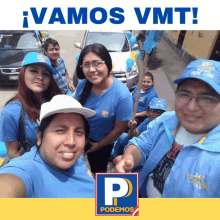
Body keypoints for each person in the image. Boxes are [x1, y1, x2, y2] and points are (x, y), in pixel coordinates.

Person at [115, 59, 220, 198]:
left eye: (207, 98)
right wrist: (129, 158)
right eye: (185, 94)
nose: (191, 107)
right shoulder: (166, 120)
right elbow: (141, 144)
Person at [0, 94, 96, 198]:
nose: (71, 142)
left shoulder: (74, 159)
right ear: (40, 136)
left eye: (78, 132)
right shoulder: (26, 170)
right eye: (60, 131)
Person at [74, 43, 133, 174]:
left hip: (101, 144)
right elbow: (75, 110)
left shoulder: (122, 95)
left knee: (98, 172)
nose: (91, 69)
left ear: (108, 64)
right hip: (79, 137)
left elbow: (119, 129)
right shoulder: (83, 84)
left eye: (97, 63)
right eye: (86, 65)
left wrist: (97, 146)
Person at [0, 52, 62, 160]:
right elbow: (13, 155)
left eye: (45, 74)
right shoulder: (11, 112)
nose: (40, 77)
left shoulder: (56, 101)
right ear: (23, 74)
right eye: (34, 71)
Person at [112, 98, 167, 162]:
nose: (156, 114)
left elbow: (151, 152)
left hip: (145, 157)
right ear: (147, 112)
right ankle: (114, 156)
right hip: (136, 146)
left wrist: (125, 158)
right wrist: (133, 128)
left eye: (160, 112)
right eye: (153, 110)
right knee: (123, 136)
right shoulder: (147, 121)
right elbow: (133, 136)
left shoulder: (163, 129)